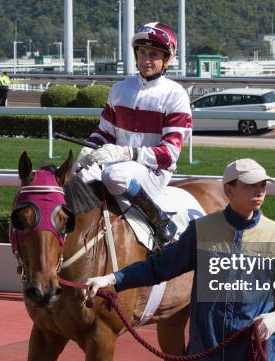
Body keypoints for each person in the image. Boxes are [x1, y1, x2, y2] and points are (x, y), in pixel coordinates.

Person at [86, 159, 275, 361]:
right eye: (251, 185)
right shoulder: (201, 231)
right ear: (228, 190)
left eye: (263, 185)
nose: (260, 191)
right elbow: (159, 266)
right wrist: (113, 279)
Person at [77, 22, 192, 248]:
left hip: (153, 172)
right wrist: (88, 148)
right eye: (141, 53)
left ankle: (159, 220)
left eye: (154, 54)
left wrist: (125, 152)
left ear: (166, 60)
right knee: (76, 174)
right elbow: (104, 133)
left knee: (114, 175)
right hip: (118, 162)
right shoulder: (120, 89)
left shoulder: (175, 95)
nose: (145, 59)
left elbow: (168, 155)